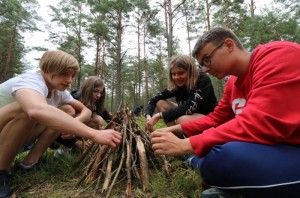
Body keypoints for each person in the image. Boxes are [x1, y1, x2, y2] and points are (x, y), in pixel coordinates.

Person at [150, 27, 300, 198]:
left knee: (226, 156)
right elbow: (217, 118)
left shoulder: (278, 56)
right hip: (270, 148)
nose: (205, 69)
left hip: (293, 148)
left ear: (229, 45)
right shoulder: (232, 83)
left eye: (207, 59)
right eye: (201, 64)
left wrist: (185, 145)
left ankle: (197, 163)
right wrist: (176, 130)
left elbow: (255, 122)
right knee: (222, 151)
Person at [0, 50, 122, 198]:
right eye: (65, 74)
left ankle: (29, 162)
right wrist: (94, 134)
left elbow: (86, 111)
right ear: (48, 69)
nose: (70, 80)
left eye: (72, 76)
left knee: (68, 109)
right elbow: (35, 110)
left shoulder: (58, 91)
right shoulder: (30, 81)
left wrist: (73, 125)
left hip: (16, 137)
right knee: (25, 108)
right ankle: (3, 170)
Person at [145, 54, 217, 132]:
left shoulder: (202, 80)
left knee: (182, 120)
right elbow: (153, 100)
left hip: (210, 118)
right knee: (161, 103)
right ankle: (176, 136)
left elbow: (189, 106)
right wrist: (148, 115)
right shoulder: (177, 85)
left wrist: (160, 115)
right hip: (190, 115)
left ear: (190, 71)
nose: (176, 77)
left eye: (181, 73)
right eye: (173, 74)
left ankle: (198, 141)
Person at [54, 76, 112, 149]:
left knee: (98, 119)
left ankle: (76, 147)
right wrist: (74, 142)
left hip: (73, 133)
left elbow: (109, 119)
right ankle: (66, 145)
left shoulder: (95, 103)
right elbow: (56, 123)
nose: (98, 95)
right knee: (76, 114)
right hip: (57, 137)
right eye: (95, 91)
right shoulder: (73, 98)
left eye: (101, 92)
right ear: (88, 89)